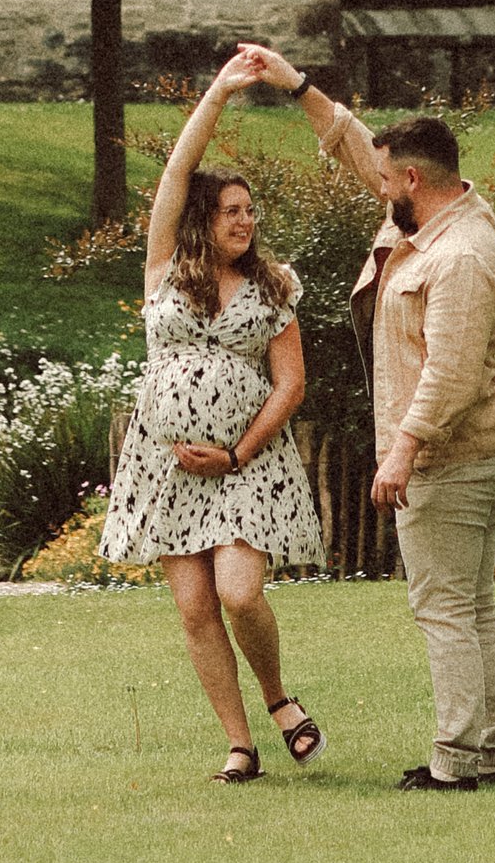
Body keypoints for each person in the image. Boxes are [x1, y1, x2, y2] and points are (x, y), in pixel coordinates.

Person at [236, 43, 495, 790]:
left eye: (391, 178)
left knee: (444, 608)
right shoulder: (432, 214)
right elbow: (360, 153)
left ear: (416, 180)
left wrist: (401, 453)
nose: (379, 184)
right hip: (472, 450)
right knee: (470, 602)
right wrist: (297, 86)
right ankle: (488, 751)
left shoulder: (459, 255)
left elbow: (451, 375)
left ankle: (459, 761)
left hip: (453, 454)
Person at [97, 53, 327, 779]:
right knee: (196, 609)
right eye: (232, 210)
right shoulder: (163, 267)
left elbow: (289, 384)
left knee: (239, 591)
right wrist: (220, 94)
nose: (247, 221)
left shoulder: (274, 285)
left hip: (245, 463)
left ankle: (279, 698)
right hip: (164, 463)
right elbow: (173, 173)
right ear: (204, 217)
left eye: (251, 211)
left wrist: (236, 453)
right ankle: (240, 744)